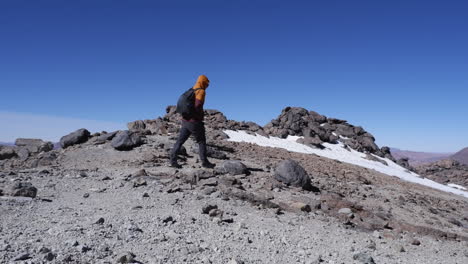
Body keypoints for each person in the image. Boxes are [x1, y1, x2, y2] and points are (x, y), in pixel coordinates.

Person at [170, 75, 215, 169]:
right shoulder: (201, 91)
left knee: (180, 141)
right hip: (194, 122)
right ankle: (205, 162)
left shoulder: (191, 89)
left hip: (185, 120)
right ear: (203, 82)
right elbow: (198, 105)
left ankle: (173, 160)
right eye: (207, 83)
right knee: (201, 141)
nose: (207, 86)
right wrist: (199, 115)